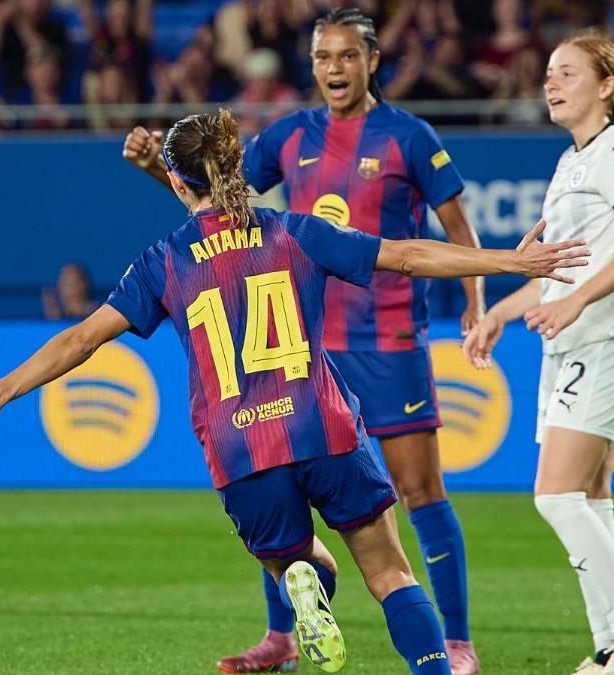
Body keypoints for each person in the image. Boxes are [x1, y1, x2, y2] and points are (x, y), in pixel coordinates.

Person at [0, 109, 590, 675]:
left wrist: (0, 392)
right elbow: (411, 255)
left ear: (175, 179)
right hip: (322, 427)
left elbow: (80, 339)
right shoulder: (293, 230)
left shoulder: (163, 259)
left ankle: (300, 576)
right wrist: (510, 262)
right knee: (391, 572)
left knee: (297, 558)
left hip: (240, 450)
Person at [124, 8, 489, 673]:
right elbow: (216, 202)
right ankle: (285, 636)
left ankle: (457, 640)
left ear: (372, 60)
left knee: (419, 489)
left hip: (387, 335)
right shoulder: (290, 135)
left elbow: (453, 227)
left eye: (347, 56)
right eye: (323, 57)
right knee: (287, 463)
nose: (333, 69)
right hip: (303, 333)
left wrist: (476, 304)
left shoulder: (409, 137)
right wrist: (162, 168)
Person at [463, 28, 614, 675]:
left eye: (568, 73)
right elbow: (563, 273)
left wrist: (575, 303)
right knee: (592, 497)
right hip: (573, 346)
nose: (551, 82)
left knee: (555, 496)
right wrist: (499, 310)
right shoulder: (570, 163)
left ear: (608, 85)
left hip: (604, 343)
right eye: (549, 73)